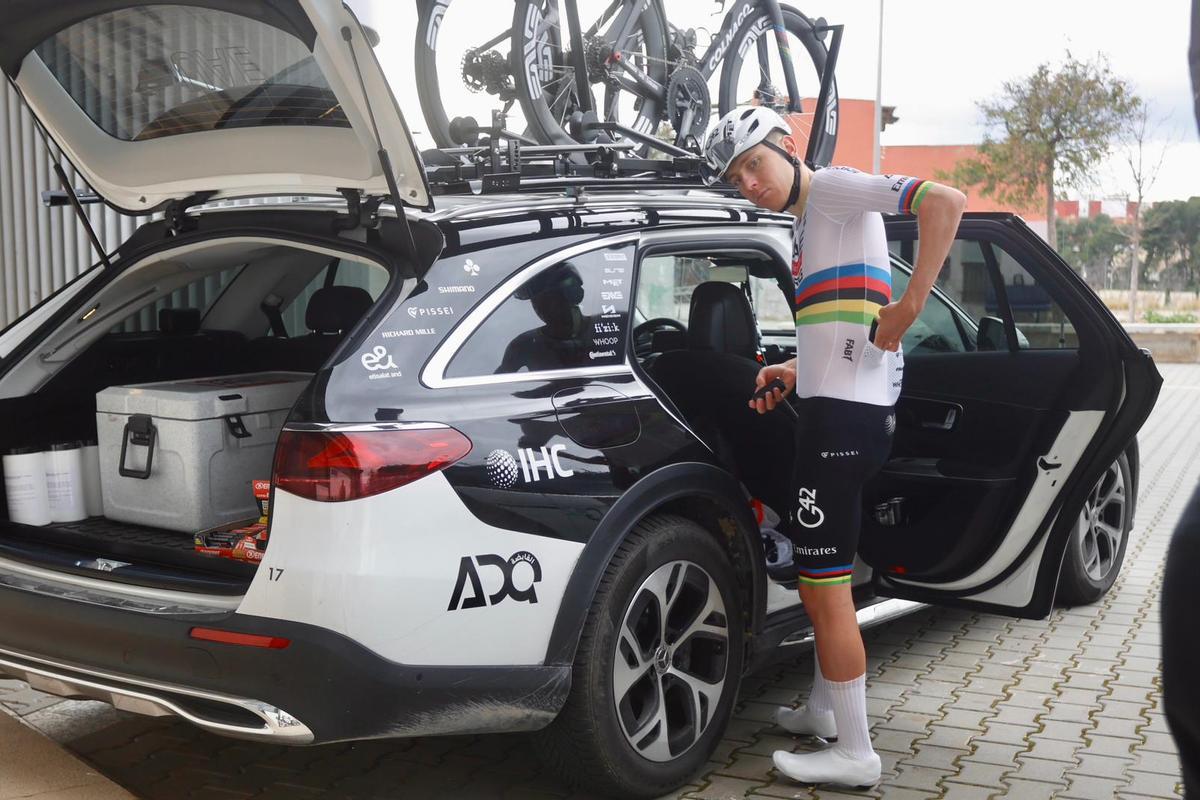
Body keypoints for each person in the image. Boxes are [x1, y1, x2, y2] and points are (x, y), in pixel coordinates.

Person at [702, 106, 965, 788]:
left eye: (753, 164)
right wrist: (795, 369)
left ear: (787, 146)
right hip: (835, 411)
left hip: (843, 427)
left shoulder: (837, 191)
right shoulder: (809, 223)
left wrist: (912, 305)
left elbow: (946, 200)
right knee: (830, 581)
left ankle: (855, 752)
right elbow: (840, 321)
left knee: (822, 589)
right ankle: (825, 708)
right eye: (736, 178)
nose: (748, 184)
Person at [496, 261, 598, 373]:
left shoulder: (607, 329)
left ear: (571, 295)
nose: (540, 309)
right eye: (535, 302)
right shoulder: (523, 345)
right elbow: (494, 387)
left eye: (548, 300)